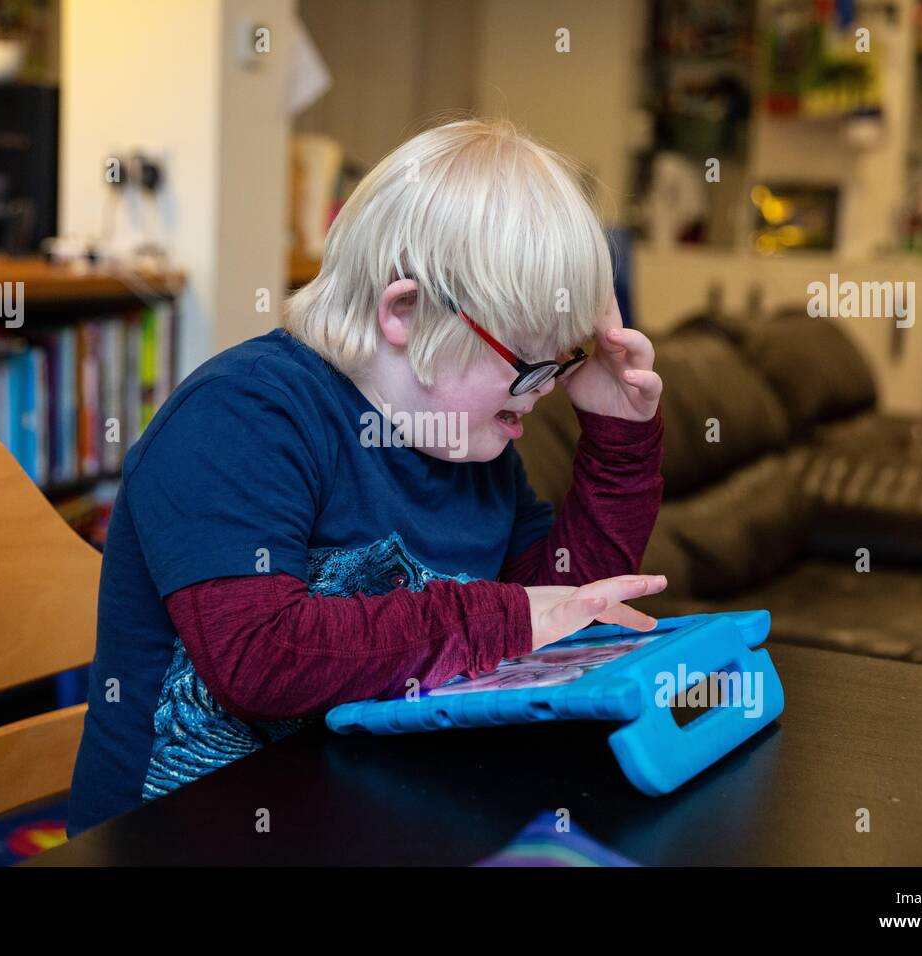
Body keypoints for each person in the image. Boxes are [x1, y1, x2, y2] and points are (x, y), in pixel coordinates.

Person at [67, 117, 667, 836]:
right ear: (405, 313)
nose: (544, 392)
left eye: (564, 361)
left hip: (365, 813)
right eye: (529, 363)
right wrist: (505, 618)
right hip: (178, 835)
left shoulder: (471, 448)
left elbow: (571, 608)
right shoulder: (240, 417)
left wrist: (617, 440)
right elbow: (259, 657)